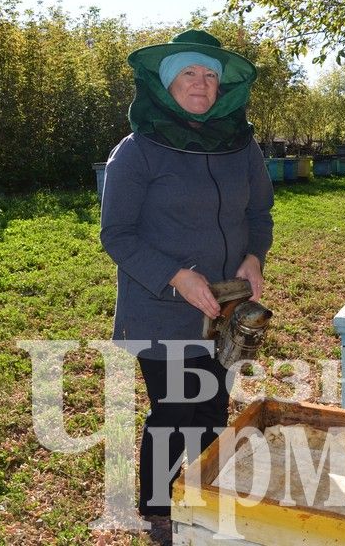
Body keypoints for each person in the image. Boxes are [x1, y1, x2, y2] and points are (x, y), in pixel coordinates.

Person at [99, 29, 274, 540]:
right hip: (160, 307)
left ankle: (201, 500)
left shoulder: (241, 146)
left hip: (225, 309)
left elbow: (259, 211)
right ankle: (158, 511)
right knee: (175, 410)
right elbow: (117, 234)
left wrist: (253, 257)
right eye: (189, 74)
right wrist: (177, 276)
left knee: (214, 407)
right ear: (167, 84)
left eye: (210, 75)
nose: (201, 84)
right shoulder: (137, 151)